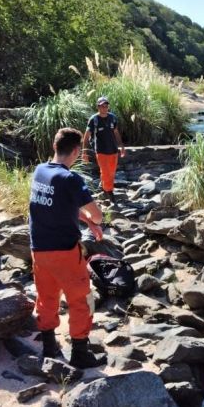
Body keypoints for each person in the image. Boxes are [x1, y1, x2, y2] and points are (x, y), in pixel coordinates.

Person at [29, 128, 106, 368]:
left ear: (54, 146)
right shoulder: (70, 178)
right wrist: (94, 220)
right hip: (64, 252)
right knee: (81, 299)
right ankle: (80, 352)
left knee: (46, 298)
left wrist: (83, 220)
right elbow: (99, 215)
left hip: (39, 250)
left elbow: (55, 205)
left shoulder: (40, 170)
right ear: (75, 151)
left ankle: (50, 347)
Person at [82, 96, 125, 203]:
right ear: (98, 107)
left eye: (106, 106)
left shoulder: (113, 118)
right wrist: (84, 152)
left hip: (113, 150)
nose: (104, 108)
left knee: (111, 172)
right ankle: (110, 193)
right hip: (100, 150)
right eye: (102, 106)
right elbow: (86, 136)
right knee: (106, 172)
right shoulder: (94, 119)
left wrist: (121, 146)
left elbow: (116, 132)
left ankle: (104, 187)